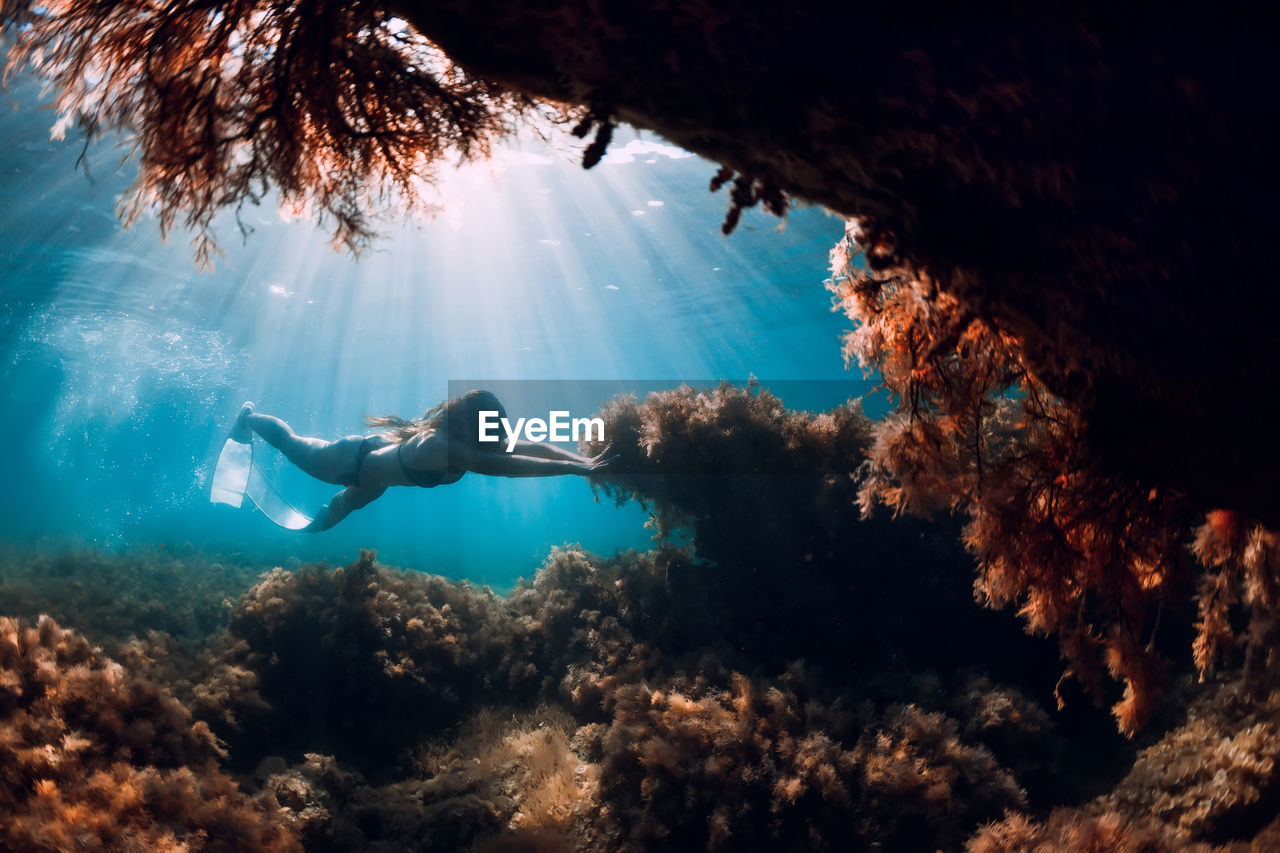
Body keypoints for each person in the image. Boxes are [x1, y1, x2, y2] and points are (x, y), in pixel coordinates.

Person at [229, 389, 612, 531]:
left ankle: (323, 516)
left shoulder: (476, 442)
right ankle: (247, 418)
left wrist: (580, 458)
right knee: (290, 442)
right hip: (350, 462)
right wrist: (577, 469)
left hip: (375, 481)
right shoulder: (439, 446)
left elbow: (531, 449)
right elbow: (504, 468)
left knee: (330, 520)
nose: (499, 437)